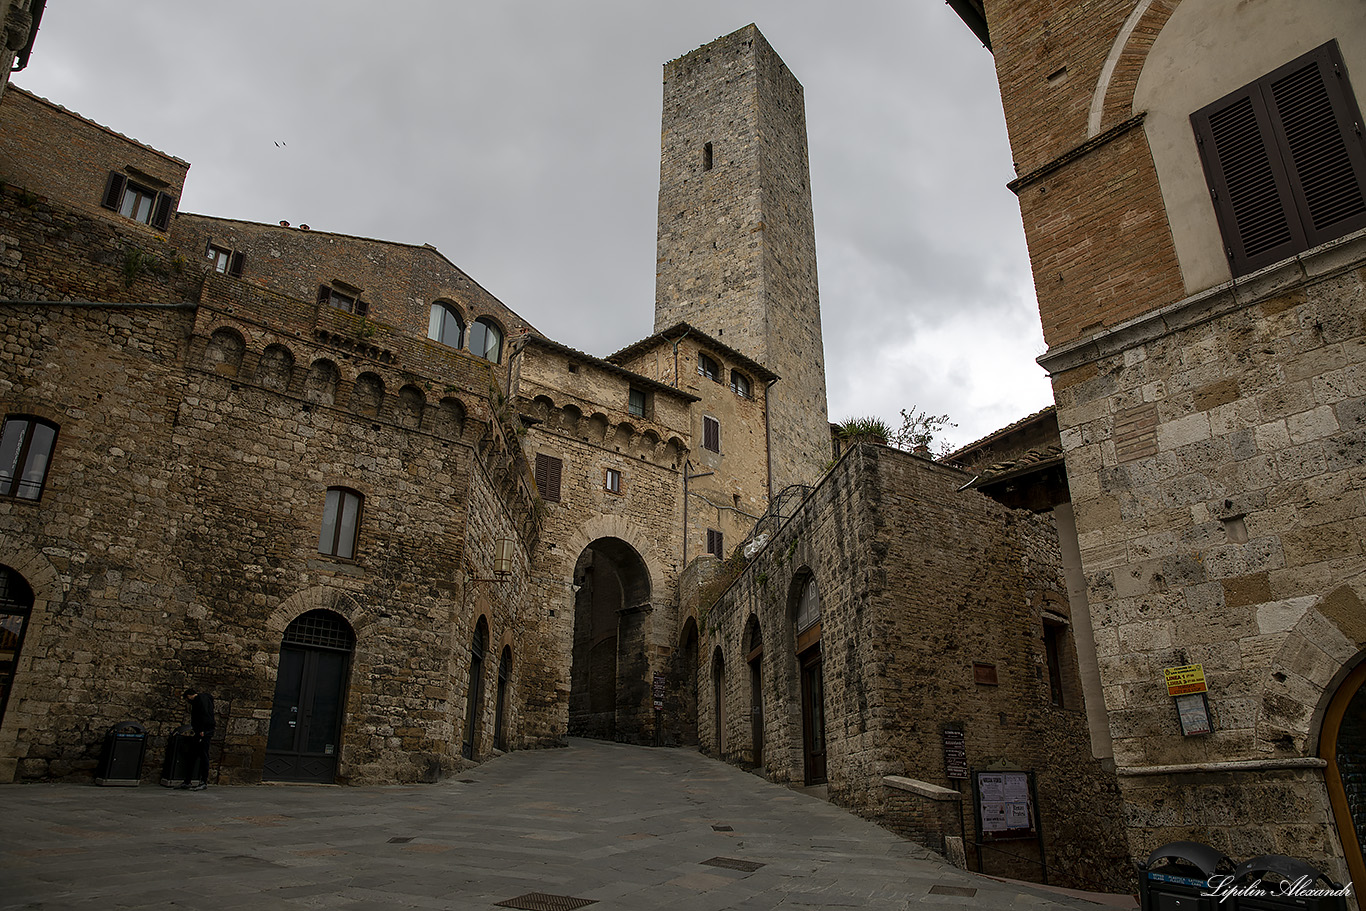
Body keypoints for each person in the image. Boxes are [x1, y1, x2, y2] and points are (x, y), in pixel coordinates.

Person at [179, 687, 215, 790]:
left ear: (190, 696)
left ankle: (203, 781)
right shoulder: (203, 699)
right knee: (193, 755)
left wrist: (203, 730)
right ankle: (188, 781)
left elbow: (205, 715)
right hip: (201, 731)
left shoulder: (200, 700)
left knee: (203, 756)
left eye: (187, 699)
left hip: (204, 732)